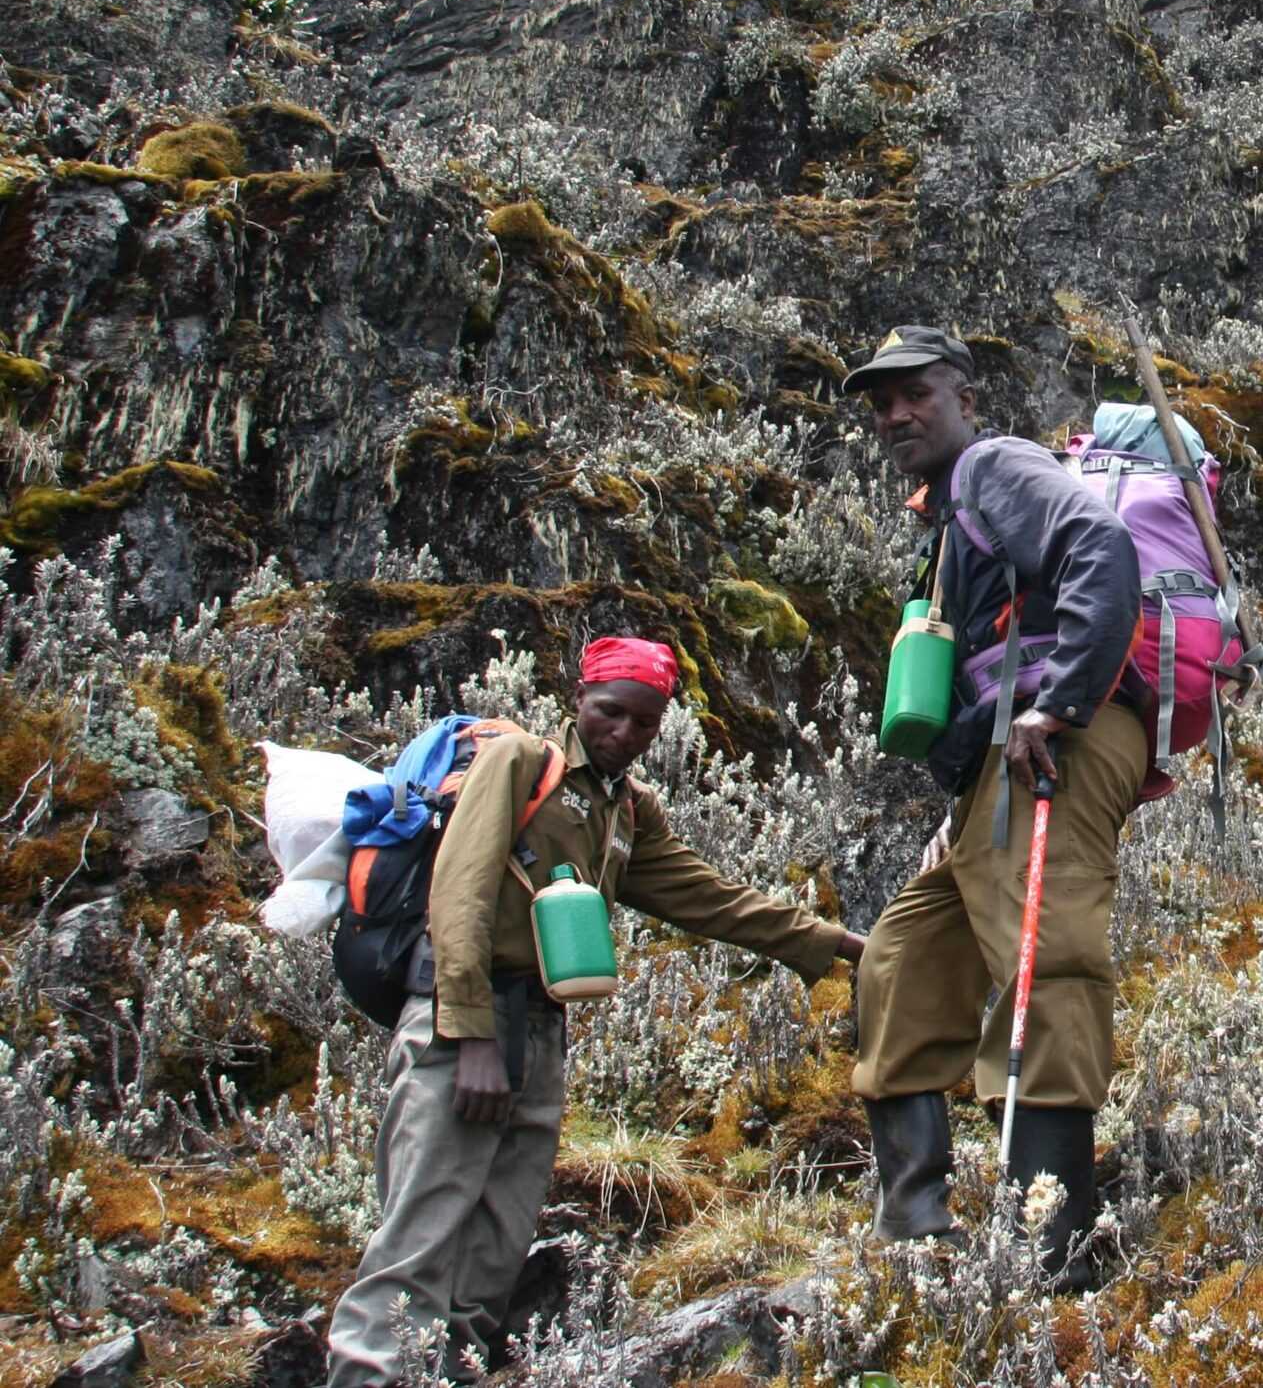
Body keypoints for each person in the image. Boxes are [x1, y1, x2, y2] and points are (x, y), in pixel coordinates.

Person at [326, 638, 861, 1387]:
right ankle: (368, 1376)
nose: (625, 733)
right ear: (578, 698)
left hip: (542, 1031)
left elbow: (710, 899)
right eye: (612, 711)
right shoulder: (518, 764)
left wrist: (836, 944)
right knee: (421, 1230)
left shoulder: (629, 810)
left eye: (646, 722)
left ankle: (453, 1371)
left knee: (498, 1237)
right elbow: (461, 891)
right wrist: (470, 1031)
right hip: (465, 1022)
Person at [844, 324, 1150, 1290]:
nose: (896, 413)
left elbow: (1100, 545)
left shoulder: (994, 465)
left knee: (1044, 955)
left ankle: (1059, 1246)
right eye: (881, 401)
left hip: (1066, 735)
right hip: (1000, 766)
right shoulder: (947, 516)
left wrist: (1060, 698)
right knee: (899, 959)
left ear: (965, 398)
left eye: (917, 393)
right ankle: (918, 1227)